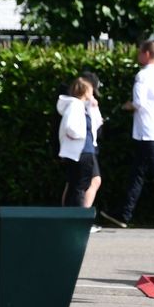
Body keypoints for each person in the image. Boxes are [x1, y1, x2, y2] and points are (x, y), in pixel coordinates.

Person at [101, 40, 154, 228]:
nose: (138, 55)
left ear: (147, 54)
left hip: (144, 132)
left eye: (140, 52)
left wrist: (125, 106)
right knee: (137, 173)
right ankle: (124, 214)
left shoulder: (142, 76)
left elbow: (138, 103)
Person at [57, 75, 104, 233]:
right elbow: (71, 127)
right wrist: (79, 135)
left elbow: (97, 123)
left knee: (76, 186)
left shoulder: (82, 106)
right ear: (85, 91)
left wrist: (94, 107)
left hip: (83, 151)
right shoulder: (76, 106)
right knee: (79, 187)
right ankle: (78, 222)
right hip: (81, 151)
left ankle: (70, 220)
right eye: (90, 91)